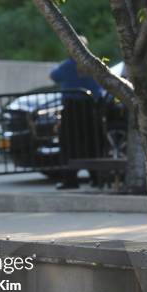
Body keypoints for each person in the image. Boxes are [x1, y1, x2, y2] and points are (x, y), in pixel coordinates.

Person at [50, 35, 103, 190]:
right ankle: (96, 177)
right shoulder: (93, 64)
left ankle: (70, 179)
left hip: (72, 109)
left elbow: (53, 75)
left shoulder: (67, 65)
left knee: (69, 145)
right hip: (90, 109)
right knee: (92, 144)